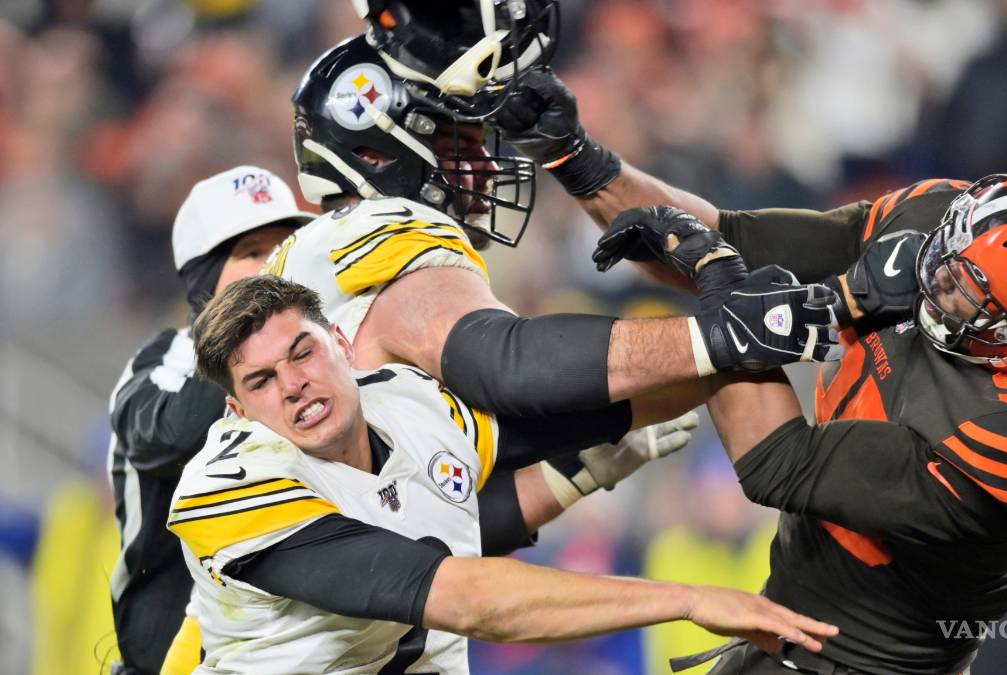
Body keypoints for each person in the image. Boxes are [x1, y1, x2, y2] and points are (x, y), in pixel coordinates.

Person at [594, 172, 1007, 674]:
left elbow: (776, 461)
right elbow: (738, 235)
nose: (935, 273)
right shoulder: (948, 229)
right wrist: (580, 161)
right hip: (779, 625)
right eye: (953, 245)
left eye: (968, 287)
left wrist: (727, 284)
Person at [271, 34, 861, 510]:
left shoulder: (321, 262)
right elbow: (504, 363)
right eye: (460, 145)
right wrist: (719, 338)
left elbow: (439, 498)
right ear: (374, 155)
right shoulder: (378, 228)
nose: (485, 166)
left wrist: (693, 372)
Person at [170, 275, 838, 674]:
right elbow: (464, 598)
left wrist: (742, 344)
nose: (293, 384)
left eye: (303, 352)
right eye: (262, 380)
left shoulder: (407, 404)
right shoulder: (231, 489)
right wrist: (689, 599)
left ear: (342, 344)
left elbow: (592, 411)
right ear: (239, 411)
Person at [107, 166, 313, 675]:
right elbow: (170, 435)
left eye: (285, 246)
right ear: (204, 277)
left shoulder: (321, 362)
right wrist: (240, 346)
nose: (276, 266)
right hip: (170, 660)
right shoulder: (163, 361)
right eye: (252, 253)